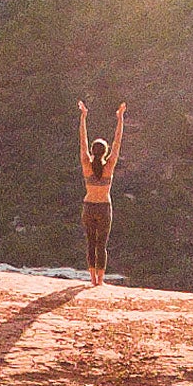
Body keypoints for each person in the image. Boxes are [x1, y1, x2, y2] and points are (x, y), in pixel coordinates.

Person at [78, 100, 125, 287]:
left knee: (91, 242)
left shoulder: (86, 164)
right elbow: (117, 142)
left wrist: (83, 117)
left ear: (92, 151)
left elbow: (83, 141)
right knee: (101, 245)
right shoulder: (109, 166)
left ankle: (91, 278)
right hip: (104, 207)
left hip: (89, 205)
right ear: (105, 152)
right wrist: (120, 119)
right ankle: (100, 280)